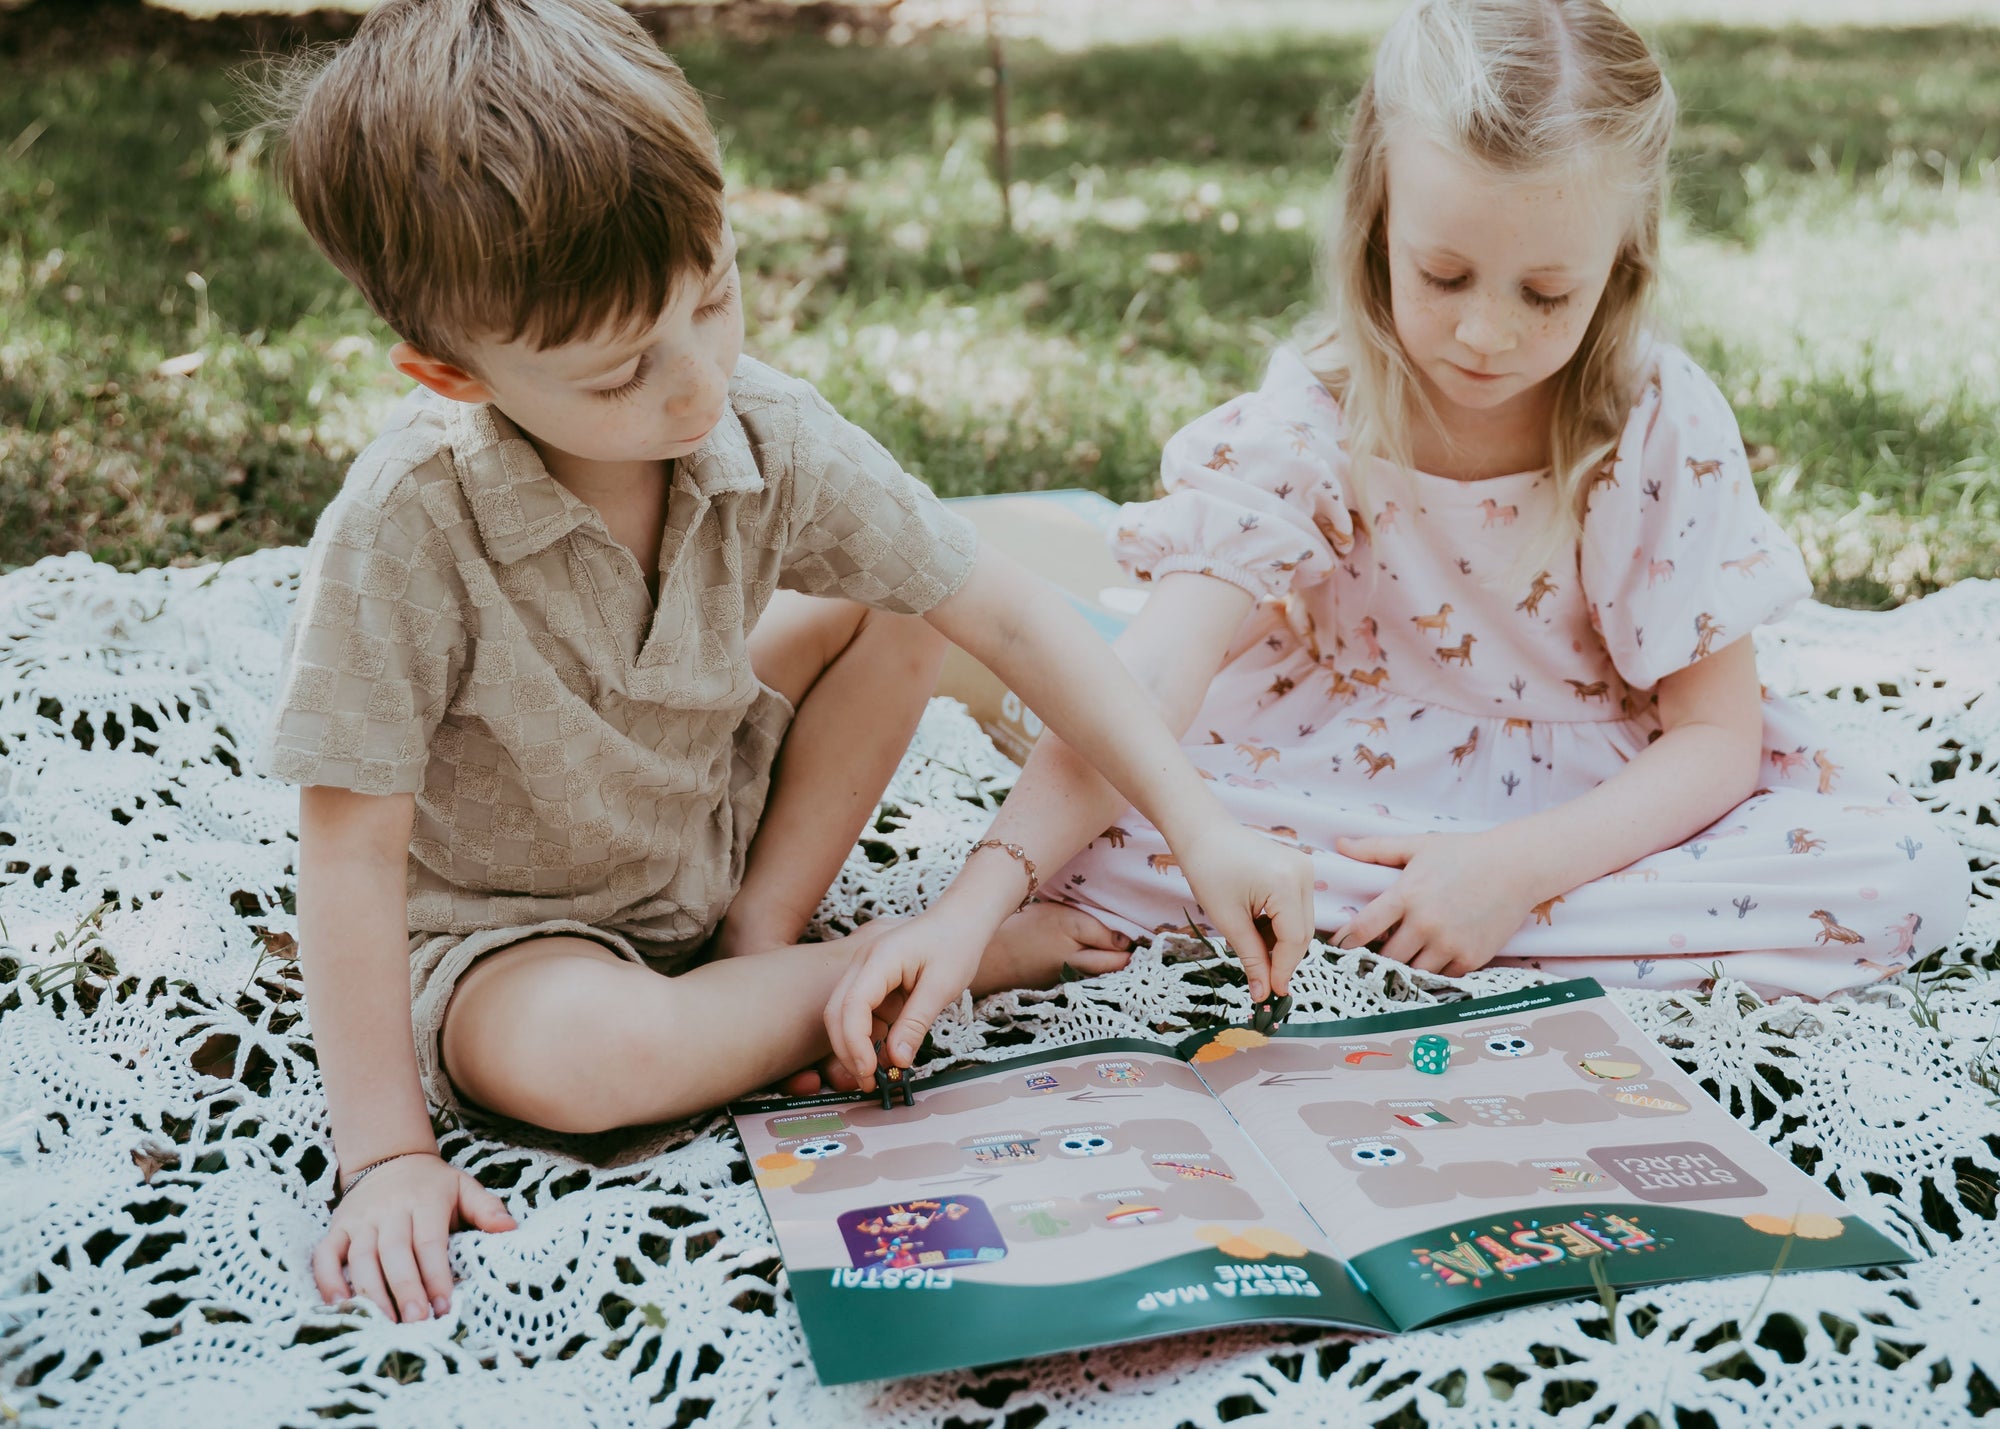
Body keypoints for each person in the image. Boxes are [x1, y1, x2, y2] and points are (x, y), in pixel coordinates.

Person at [259, 0, 1312, 1326]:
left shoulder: (761, 429)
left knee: (915, 593)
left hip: (711, 830)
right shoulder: (404, 525)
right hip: (513, 942)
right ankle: (906, 966)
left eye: (715, 293)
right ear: (452, 373)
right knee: (595, 1060)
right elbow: (349, 850)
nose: (696, 380)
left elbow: (1013, 615)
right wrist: (390, 1159)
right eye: (623, 365)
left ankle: (765, 942)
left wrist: (1200, 822)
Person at [827, 0, 1969, 1070]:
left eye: (1544, 293)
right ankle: (1430, 932)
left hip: (1588, 810)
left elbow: (1714, 741)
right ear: (1377, 221)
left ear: (1619, 262)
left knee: (1898, 873)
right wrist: (969, 910)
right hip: (1337, 786)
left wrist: (1511, 874)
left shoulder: (1650, 419)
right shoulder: (1318, 408)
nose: (1483, 332)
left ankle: (1445, 929)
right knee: (1121, 831)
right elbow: (1157, 672)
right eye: (1443, 273)